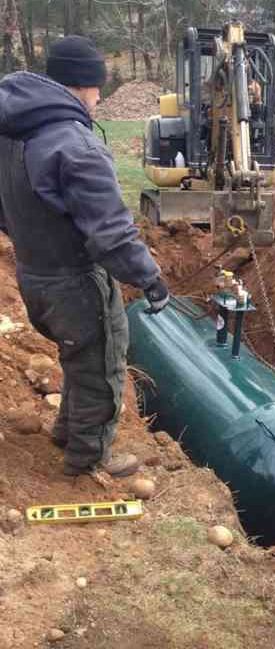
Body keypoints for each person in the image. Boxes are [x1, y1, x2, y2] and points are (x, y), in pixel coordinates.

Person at [0, 36, 170, 479]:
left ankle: (67, 431)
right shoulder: (76, 145)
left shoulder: (11, 131)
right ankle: (89, 456)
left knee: (78, 356)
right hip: (75, 280)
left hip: (33, 274)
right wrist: (150, 278)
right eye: (98, 90)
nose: (99, 99)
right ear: (82, 86)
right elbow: (112, 234)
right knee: (100, 365)